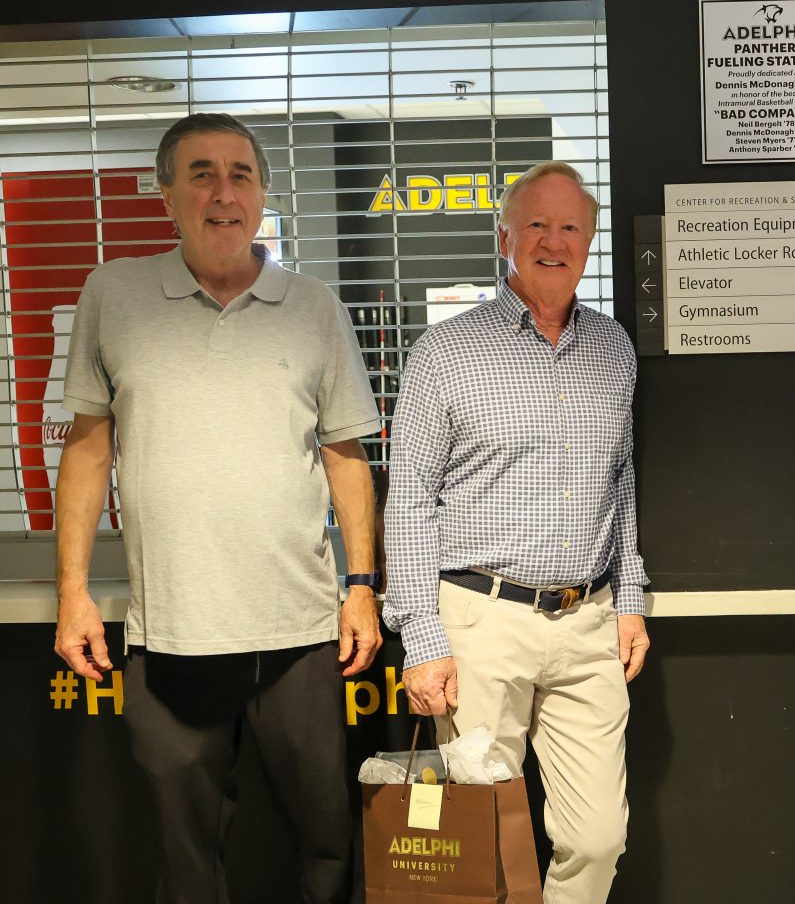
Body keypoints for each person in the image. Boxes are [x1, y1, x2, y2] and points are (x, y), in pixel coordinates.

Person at [52, 112, 383, 903]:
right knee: (188, 857)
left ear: (264, 194)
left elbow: (345, 456)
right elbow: (88, 451)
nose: (223, 192)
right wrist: (72, 594)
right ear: (166, 194)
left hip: (301, 634)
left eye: (240, 175)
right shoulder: (115, 294)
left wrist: (361, 585)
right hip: (172, 632)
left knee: (327, 843)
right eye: (201, 173)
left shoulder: (314, 307)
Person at [383, 160, 650, 904]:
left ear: (590, 243)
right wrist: (424, 640)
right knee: (481, 842)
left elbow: (621, 480)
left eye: (570, 227)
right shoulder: (446, 352)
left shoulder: (614, 349)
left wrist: (630, 597)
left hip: (588, 623)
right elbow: (407, 501)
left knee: (598, 839)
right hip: (479, 623)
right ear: (504, 236)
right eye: (536, 223)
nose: (553, 241)